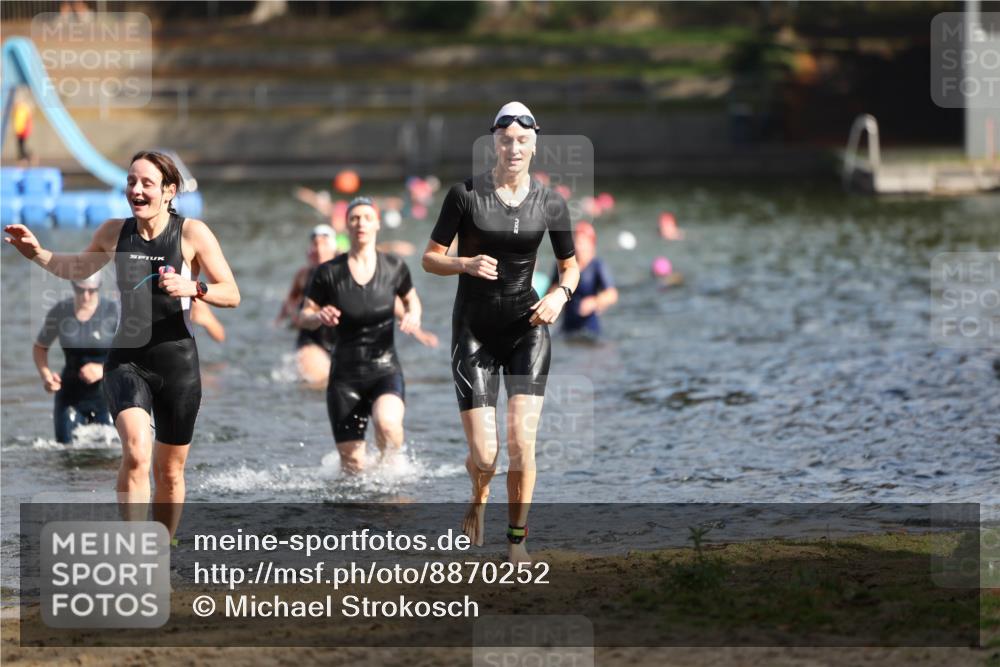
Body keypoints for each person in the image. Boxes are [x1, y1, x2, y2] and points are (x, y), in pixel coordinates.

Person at [5, 150, 240, 537]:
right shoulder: (114, 232)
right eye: (131, 181)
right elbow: (77, 268)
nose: (137, 189)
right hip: (126, 361)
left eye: (147, 183)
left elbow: (231, 294)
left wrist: (194, 287)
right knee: (135, 452)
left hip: (178, 365)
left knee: (170, 471)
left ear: (169, 190)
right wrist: (39, 253)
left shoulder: (192, 233)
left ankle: (162, 547)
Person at [421, 101, 580, 563]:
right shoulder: (465, 195)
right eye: (506, 139)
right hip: (473, 332)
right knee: (486, 456)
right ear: (494, 142)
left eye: (522, 140)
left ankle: (517, 540)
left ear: (534, 145)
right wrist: (465, 263)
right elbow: (430, 258)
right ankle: (479, 494)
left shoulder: (550, 201)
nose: (514, 147)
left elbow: (570, 268)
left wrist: (559, 297)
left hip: (526, 329)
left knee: (521, 444)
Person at [300, 196, 424, 474]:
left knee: (388, 425)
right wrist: (317, 317)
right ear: (347, 225)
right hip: (344, 377)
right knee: (353, 467)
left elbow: (412, 301)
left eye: (367, 218)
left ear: (377, 224)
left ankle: (394, 475)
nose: (361, 223)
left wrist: (414, 315)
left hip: (384, 369)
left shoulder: (394, 267)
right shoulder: (328, 272)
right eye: (355, 218)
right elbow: (304, 316)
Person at [33, 272, 118, 443]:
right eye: (80, 290)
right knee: (66, 455)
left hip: (107, 397)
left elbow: (135, 354)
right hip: (70, 396)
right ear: (73, 286)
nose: (86, 296)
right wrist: (47, 376)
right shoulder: (60, 311)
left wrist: (103, 369)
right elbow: (40, 348)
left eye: (92, 291)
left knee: (109, 457)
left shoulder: (113, 312)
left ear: (99, 288)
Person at [547, 221, 617, 337]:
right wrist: (556, 296)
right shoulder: (562, 265)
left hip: (590, 328)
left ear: (591, 244)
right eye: (575, 243)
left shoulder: (597, 266)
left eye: (582, 243)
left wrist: (595, 302)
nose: (578, 247)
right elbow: (550, 290)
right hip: (567, 326)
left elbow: (612, 294)